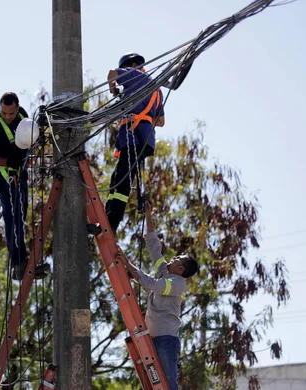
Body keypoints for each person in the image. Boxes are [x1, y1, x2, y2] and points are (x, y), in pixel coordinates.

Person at [115, 203, 198, 390]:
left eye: (178, 259)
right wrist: (148, 215)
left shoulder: (177, 284)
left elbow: (151, 284)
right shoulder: (165, 273)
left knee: (167, 385)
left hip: (166, 340)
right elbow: (154, 247)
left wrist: (128, 264)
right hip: (153, 338)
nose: (173, 258)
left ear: (180, 269)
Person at [0, 92, 49, 280]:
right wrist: (6, 162)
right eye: (4, 113)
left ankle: (20, 259)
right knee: (14, 215)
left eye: (11, 113)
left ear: (17, 109)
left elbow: (31, 140)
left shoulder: (23, 119)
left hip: (17, 171)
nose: (8, 117)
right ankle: (19, 263)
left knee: (21, 212)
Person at [104, 52, 166, 234]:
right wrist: (143, 116)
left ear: (129, 65)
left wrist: (113, 89)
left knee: (121, 179)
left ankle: (111, 224)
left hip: (132, 137)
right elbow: (161, 121)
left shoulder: (133, 75)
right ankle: (109, 219)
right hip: (144, 140)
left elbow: (111, 74)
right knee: (119, 176)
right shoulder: (156, 89)